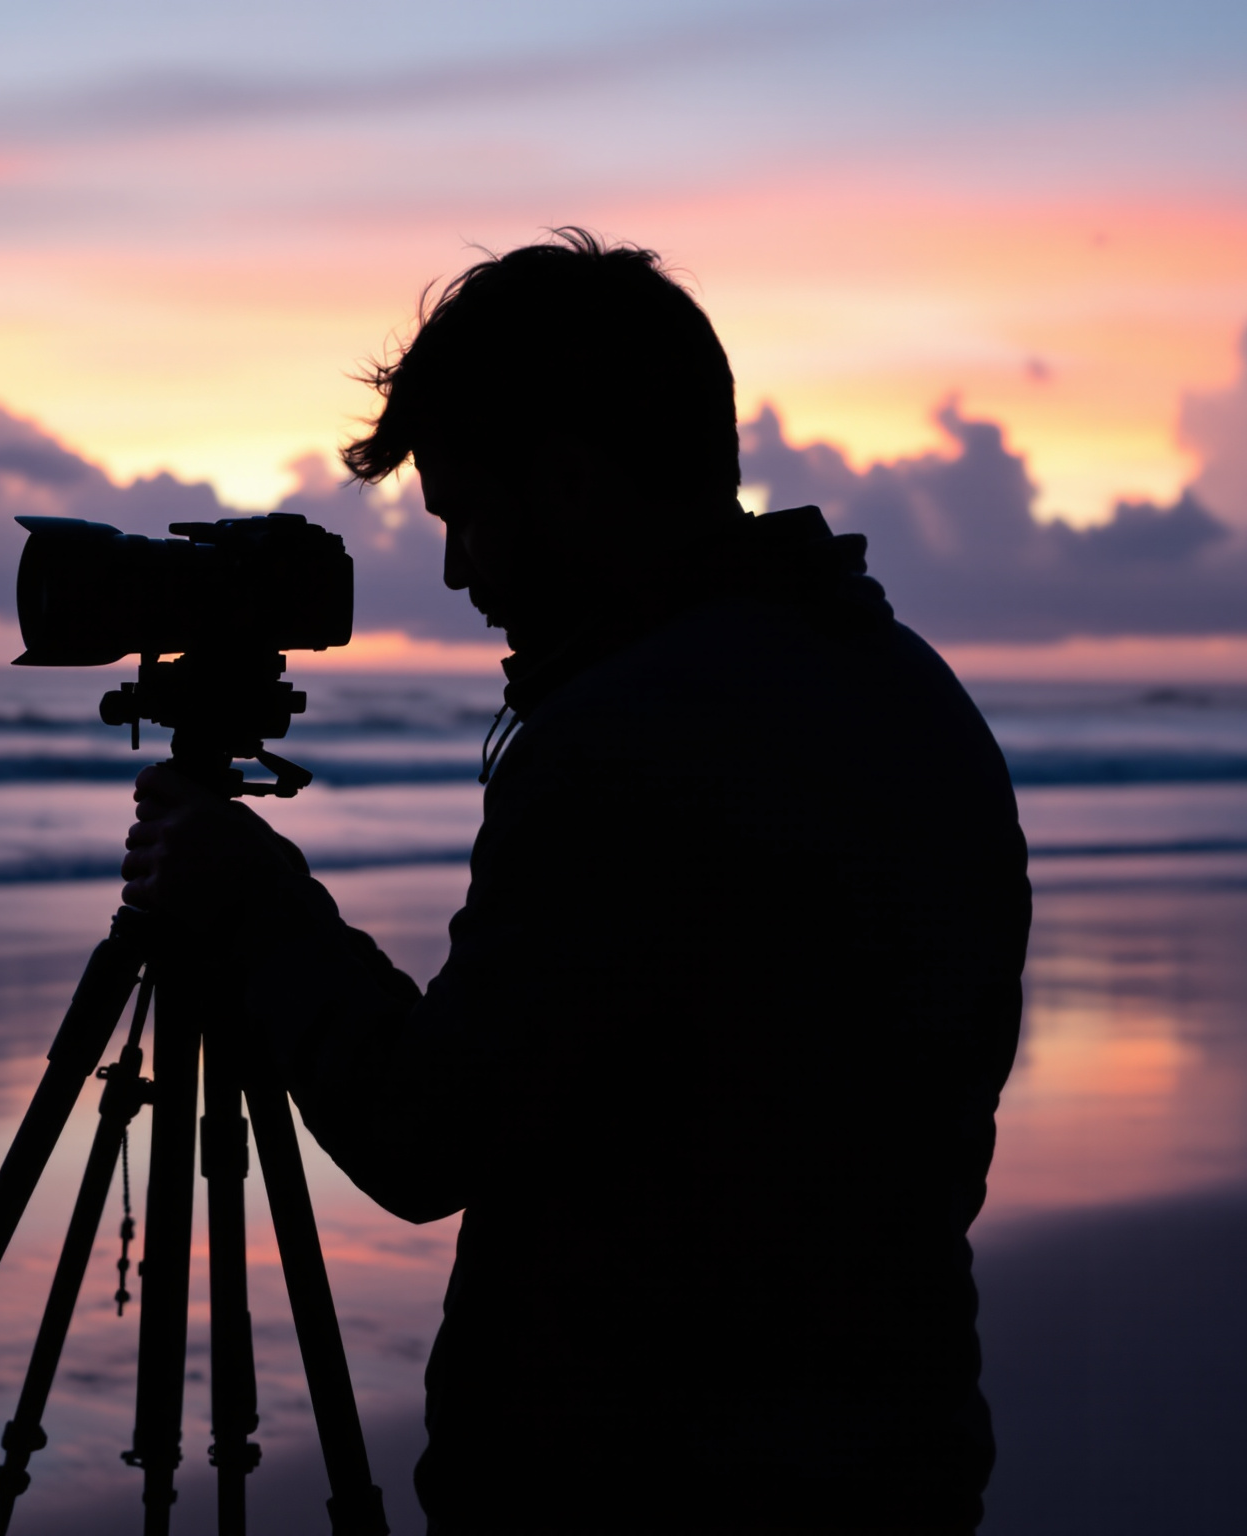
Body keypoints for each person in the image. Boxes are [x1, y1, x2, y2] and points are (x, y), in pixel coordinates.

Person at [121, 230, 1030, 1535]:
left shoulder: (626, 748)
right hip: (901, 1455)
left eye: (464, 514)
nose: (453, 572)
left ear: (571, 483)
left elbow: (425, 1131)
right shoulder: (910, 693)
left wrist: (251, 904)